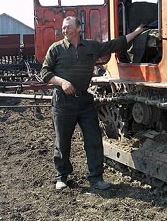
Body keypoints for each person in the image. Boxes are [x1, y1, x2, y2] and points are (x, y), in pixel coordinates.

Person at [40, 16, 145, 190]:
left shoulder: (90, 46)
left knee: (94, 140)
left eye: (68, 27)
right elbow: (44, 72)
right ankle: (62, 177)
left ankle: (96, 178)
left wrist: (137, 32)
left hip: (84, 101)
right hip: (63, 102)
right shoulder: (56, 49)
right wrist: (62, 82)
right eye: (63, 28)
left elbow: (114, 44)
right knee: (63, 141)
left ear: (78, 29)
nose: (65, 30)